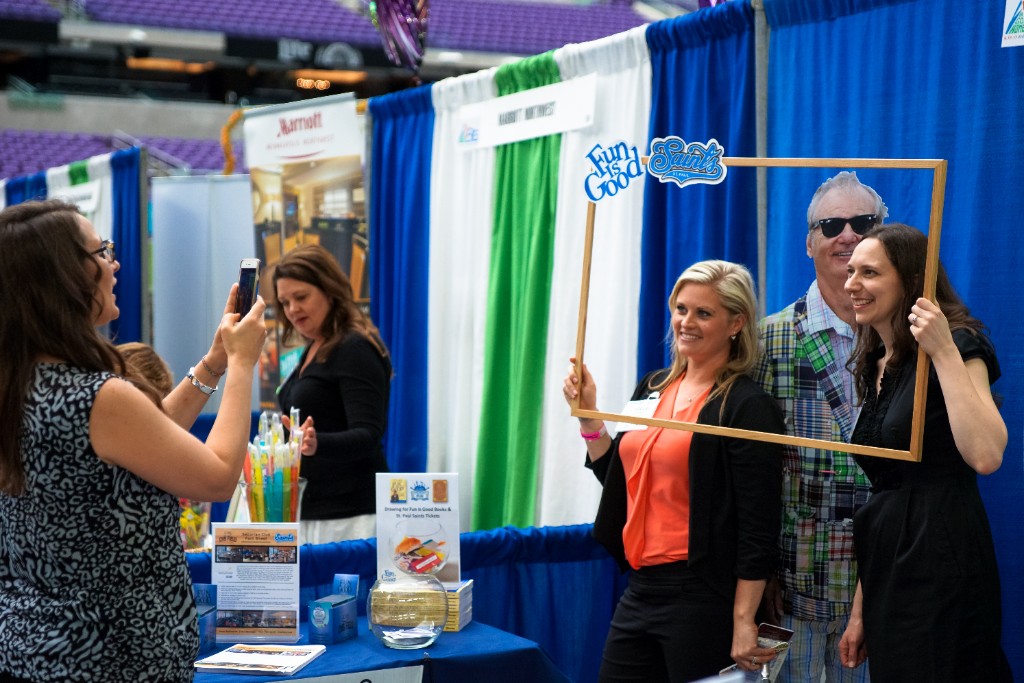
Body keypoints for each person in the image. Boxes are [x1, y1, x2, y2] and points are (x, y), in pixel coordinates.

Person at [0, 199, 267, 681]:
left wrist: (216, 362)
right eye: (101, 251)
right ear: (64, 276)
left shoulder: (21, 383)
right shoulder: (97, 397)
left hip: (33, 649)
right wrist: (245, 364)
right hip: (111, 658)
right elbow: (219, 476)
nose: (114, 262)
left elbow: (143, 442)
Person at [563, 260, 785, 682]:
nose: (687, 322)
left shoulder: (746, 405)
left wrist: (743, 620)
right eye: (681, 309)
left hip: (701, 595)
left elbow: (759, 526)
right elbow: (624, 484)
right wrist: (590, 420)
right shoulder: (652, 387)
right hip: (640, 589)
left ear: (736, 322)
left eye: (704, 313)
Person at [838, 224, 1011, 681]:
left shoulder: (959, 343)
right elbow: (884, 489)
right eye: (851, 271)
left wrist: (943, 351)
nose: (852, 284)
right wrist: (860, 610)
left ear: (913, 283)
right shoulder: (875, 361)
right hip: (886, 560)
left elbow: (987, 455)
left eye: (869, 272)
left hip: (941, 552)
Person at [752, 171, 886, 682]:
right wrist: (757, 572)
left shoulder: (916, 338)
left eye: (862, 222)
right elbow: (750, 472)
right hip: (791, 584)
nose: (847, 235)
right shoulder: (768, 342)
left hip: (883, 583)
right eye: (831, 224)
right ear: (810, 241)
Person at [272, 244, 391, 544]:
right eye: (285, 302)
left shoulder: (354, 348)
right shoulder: (313, 348)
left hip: (352, 518)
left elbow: (368, 434)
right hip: (311, 513)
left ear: (329, 290)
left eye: (301, 297)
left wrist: (316, 443)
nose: (292, 309)